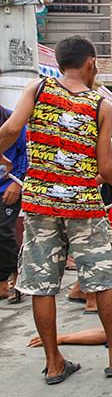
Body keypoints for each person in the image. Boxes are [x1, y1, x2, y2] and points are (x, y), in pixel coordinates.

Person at [0, 35, 112, 383]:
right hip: (83, 205)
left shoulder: (38, 90)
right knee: (102, 280)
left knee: (41, 284)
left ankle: (54, 363)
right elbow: (109, 168)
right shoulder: (101, 105)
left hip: (40, 206)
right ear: (91, 63)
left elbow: (10, 129)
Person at [0, 105, 26, 301]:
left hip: (8, 186)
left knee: (4, 233)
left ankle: (16, 278)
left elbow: (28, 153)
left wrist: (17, 183)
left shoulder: (13, 118)